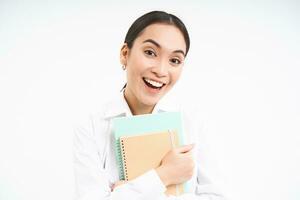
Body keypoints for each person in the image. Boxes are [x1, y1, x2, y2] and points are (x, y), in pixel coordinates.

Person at [73, 10, 226, 200]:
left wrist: (127, 191)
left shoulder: (194, 123)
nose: (161, 71)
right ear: (125, 54)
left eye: (174, 60)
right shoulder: (91, 128)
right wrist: (165, 174)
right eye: (150, 53)